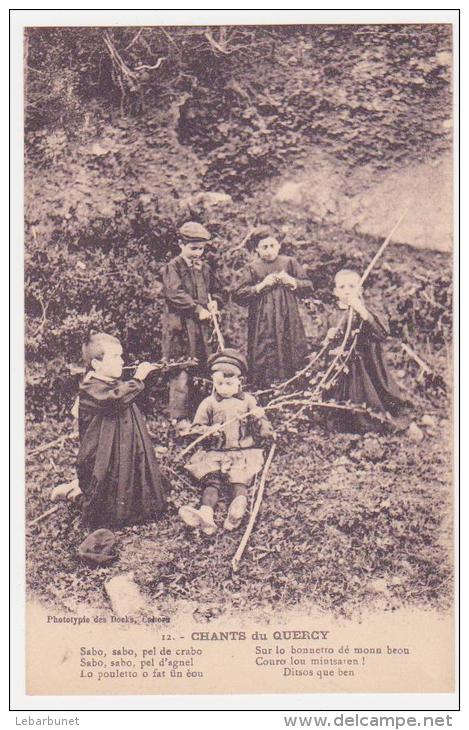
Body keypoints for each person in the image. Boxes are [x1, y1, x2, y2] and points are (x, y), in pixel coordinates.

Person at [178, 349, 276, 535]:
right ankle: (205, 514)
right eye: (219, 383)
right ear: (213, 383)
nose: (223, 388)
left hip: (242, 452)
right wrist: (208, 431)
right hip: (216, 452)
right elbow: (197, 428)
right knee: (211, 481)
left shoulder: (248, 401)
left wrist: (260, 421)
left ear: (240, 382)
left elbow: (263, 425)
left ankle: (236, 511)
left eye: (229, 383)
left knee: (239, 480)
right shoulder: (209, 403)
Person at [77, 332, 167, 528]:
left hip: (122, 452)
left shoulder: (114, 383)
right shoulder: (90, 388)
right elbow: (115, 400)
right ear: (96, 364)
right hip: (102, 458)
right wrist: (138, 379)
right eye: (115, 357)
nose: (122, 361)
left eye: (121, 356)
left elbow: (126, 397)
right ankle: (72, 492)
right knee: (104, 509)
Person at [323, 268, 410, 432]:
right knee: (347, 397)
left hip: (368, 363)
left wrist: (362, 311)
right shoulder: (334, 315)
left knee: (371, 394)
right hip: (345, 366)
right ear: (335, 292)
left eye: (352, 286)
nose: (347, 291)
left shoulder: (365, 311)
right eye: (342, 287)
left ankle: (375, 421)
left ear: (360, 289)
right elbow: (329, 346)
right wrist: (329, 336)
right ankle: (349, 423)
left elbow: (381, 333)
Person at [162, 221, 224, 433]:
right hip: (181, 326)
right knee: (181, 370)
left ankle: (201, 415)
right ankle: (179, 418)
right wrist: (198, 310)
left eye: (201, 248)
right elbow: (174, 294)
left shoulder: (205, 268)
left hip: (202, 329)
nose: (198, 253)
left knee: (203, 367)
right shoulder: (174, 267)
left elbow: (217, 290)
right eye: (193, 248)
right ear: (181, 244)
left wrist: (216, 301)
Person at [231, 227, 312, 388]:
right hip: (262, 319)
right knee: (264, 349)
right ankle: (264, 387)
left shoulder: (289, 262)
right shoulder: (253, 267)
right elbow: (238, 294)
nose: (269, 251)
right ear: (256, 249)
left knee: (291, 346)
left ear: (279, 245)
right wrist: (261, 286)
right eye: (264, 247)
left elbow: (308, 286)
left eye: (272, 246)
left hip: (288, 316)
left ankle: (293, 385)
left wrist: (292, 281)